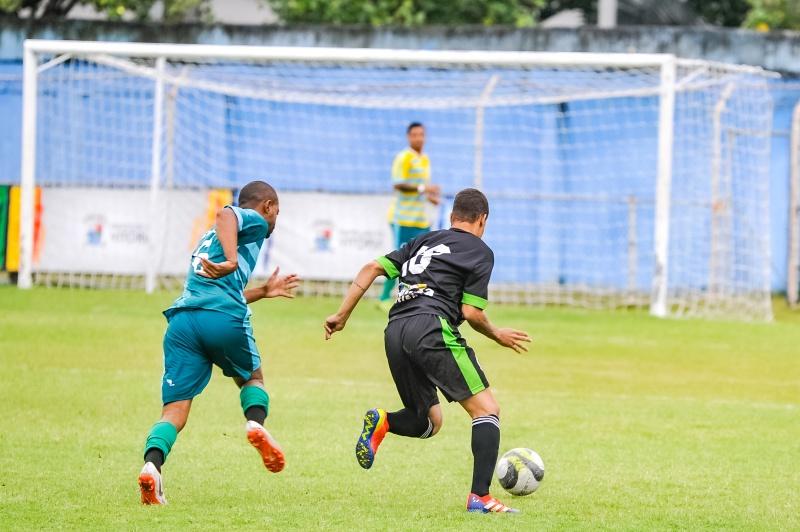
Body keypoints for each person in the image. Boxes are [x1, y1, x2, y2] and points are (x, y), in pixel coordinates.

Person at [324, 188, 531, 514]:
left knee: (429, 421)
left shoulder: (424, 240)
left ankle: (383, 423)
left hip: (395, 330)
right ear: (483, 220)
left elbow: (370, 268)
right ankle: (480, 497)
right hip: (431, 327)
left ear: (451, 218)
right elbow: (472, 313)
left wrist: (341, 314)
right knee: (487, 409)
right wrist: (497, 334)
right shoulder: (480, 251)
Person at [138, 180, 300, 505]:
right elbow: (226, 213)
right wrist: (231, 260)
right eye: (277, 212)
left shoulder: (208, 240)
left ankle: (151, 468)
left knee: (174, 410)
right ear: (267, 206)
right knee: (252, 378)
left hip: (183, 321)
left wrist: (264, 292)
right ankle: (255, 423)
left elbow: (224, 288)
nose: (275, 221)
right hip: (221, 318)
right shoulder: (250, 219)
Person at [379, 122, 441, 311]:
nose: (418, 138)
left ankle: (417, 295)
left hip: (421, 219)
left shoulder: (425, 159)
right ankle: (383, 298)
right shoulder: (403, 157)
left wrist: (430, 198)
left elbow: (422, 187)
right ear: (408, 137)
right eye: (414, 135)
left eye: (421, 134)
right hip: (402, 219)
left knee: (425, 258)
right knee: (400, 258)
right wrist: (424, 188)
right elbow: (398, 184)